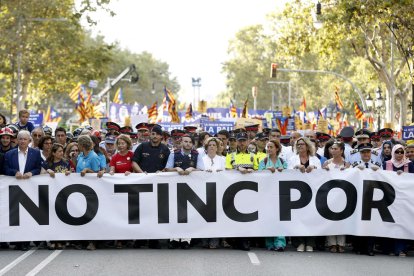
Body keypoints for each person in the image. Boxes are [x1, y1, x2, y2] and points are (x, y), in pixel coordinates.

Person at [131, 125, 170, 249]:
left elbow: (168, 166)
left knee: (155, 212)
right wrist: (141, 173)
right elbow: (134, 162)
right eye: (152, 134)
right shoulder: (142, 147)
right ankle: (140, 239)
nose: (154, 136)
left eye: (156, 134)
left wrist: (162, 172)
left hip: (158, 185)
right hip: (142, 183)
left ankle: (154, 239)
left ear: (160, 136)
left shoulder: (165, 149)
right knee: (142, 212)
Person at [4, 130, 42, 251]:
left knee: (27, 216)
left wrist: (32, 173)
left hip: (30, 188)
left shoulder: (35, 153)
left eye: (25, 139)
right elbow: (5, 168)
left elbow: (38, 168)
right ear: (16, 140)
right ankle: (17, 241)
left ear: (29, 140)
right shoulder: (9, 154)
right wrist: (14, 172)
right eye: (20, 139)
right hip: (14, 189)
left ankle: (25, 242)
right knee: (15, 215)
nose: (22, 141)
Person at [288, 137, 321, 252]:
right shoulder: (292, 159)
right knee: (298, 218)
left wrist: (314, 167)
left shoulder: (315, 159)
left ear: (307, 146)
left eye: (302, 144)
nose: (300, 146)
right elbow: (286, 174)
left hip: (312, 191)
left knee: (311, 218)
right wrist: (296, 167)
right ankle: (300, 242)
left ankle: (310, 243)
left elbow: (321, 175)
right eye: (298, 144)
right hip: (297, 192)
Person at [381, 144, 414, 257]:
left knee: (402, 223)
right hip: (389, 198)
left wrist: (404, 175)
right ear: (393, 152)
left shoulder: (409, 164)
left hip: (404, 198)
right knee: (389, 223)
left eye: (401, 152)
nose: (399, 154)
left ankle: (400, 249)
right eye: (397, 152)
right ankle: (388, 248)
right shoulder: (387, 164)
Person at [258, 139, 287, 251]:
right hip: (266, 195)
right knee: (268, 218)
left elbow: (289, 176)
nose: (269, 149)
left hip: (280, 194)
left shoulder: (283, 162)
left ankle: (280, 242)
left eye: (271, 147)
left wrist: (282, 170)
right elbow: (259, 177)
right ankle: (269, 243)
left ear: (277, 149)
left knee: (279, 218)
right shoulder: (263, 162)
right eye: (268, 147)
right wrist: (266, 171)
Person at [322, 141, 349, 253]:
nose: (333, 150)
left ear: (341, 150)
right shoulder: (326, 163)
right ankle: (332, 243)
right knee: (330, 218)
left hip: (343, 195)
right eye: (332, 148)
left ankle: (341, 243)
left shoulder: (347, 164)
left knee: (342, 219)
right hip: (330, 194)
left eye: (336, 149)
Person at [42, 143, 70, 250]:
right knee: (52, 218)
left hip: (63, 195)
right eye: (59, 151)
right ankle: (53, 240)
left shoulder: (66, 163)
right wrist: (47, 171)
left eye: (62, 151)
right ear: (53, 153)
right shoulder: (47, 163)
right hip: (50, 194)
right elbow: (41, 175)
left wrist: (68, 173)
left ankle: (61, 240)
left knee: (62, 217)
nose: (61, 153)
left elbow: (71, 174)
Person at [76, 135, 101, 250]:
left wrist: (87, 170)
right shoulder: (81, 155)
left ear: (82, 145)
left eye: (78, 144)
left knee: (91, 215)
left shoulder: (94, 157)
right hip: (80, 189)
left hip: (91, 190)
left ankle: (93, 241)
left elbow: (97, 173)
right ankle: (83, 240)